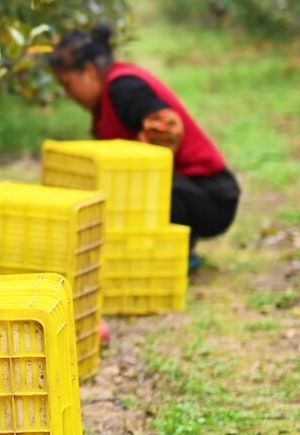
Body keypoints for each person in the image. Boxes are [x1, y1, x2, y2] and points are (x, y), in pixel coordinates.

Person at [48, 23, 241, 272]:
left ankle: (177, 254)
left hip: (211, 196)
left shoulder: (123, 88)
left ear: (88, 71)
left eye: (67, 84)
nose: (69, 94)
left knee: (133, 189)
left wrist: (134, 165)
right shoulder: (106, 99)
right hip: (193, 190)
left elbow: (168, 126)